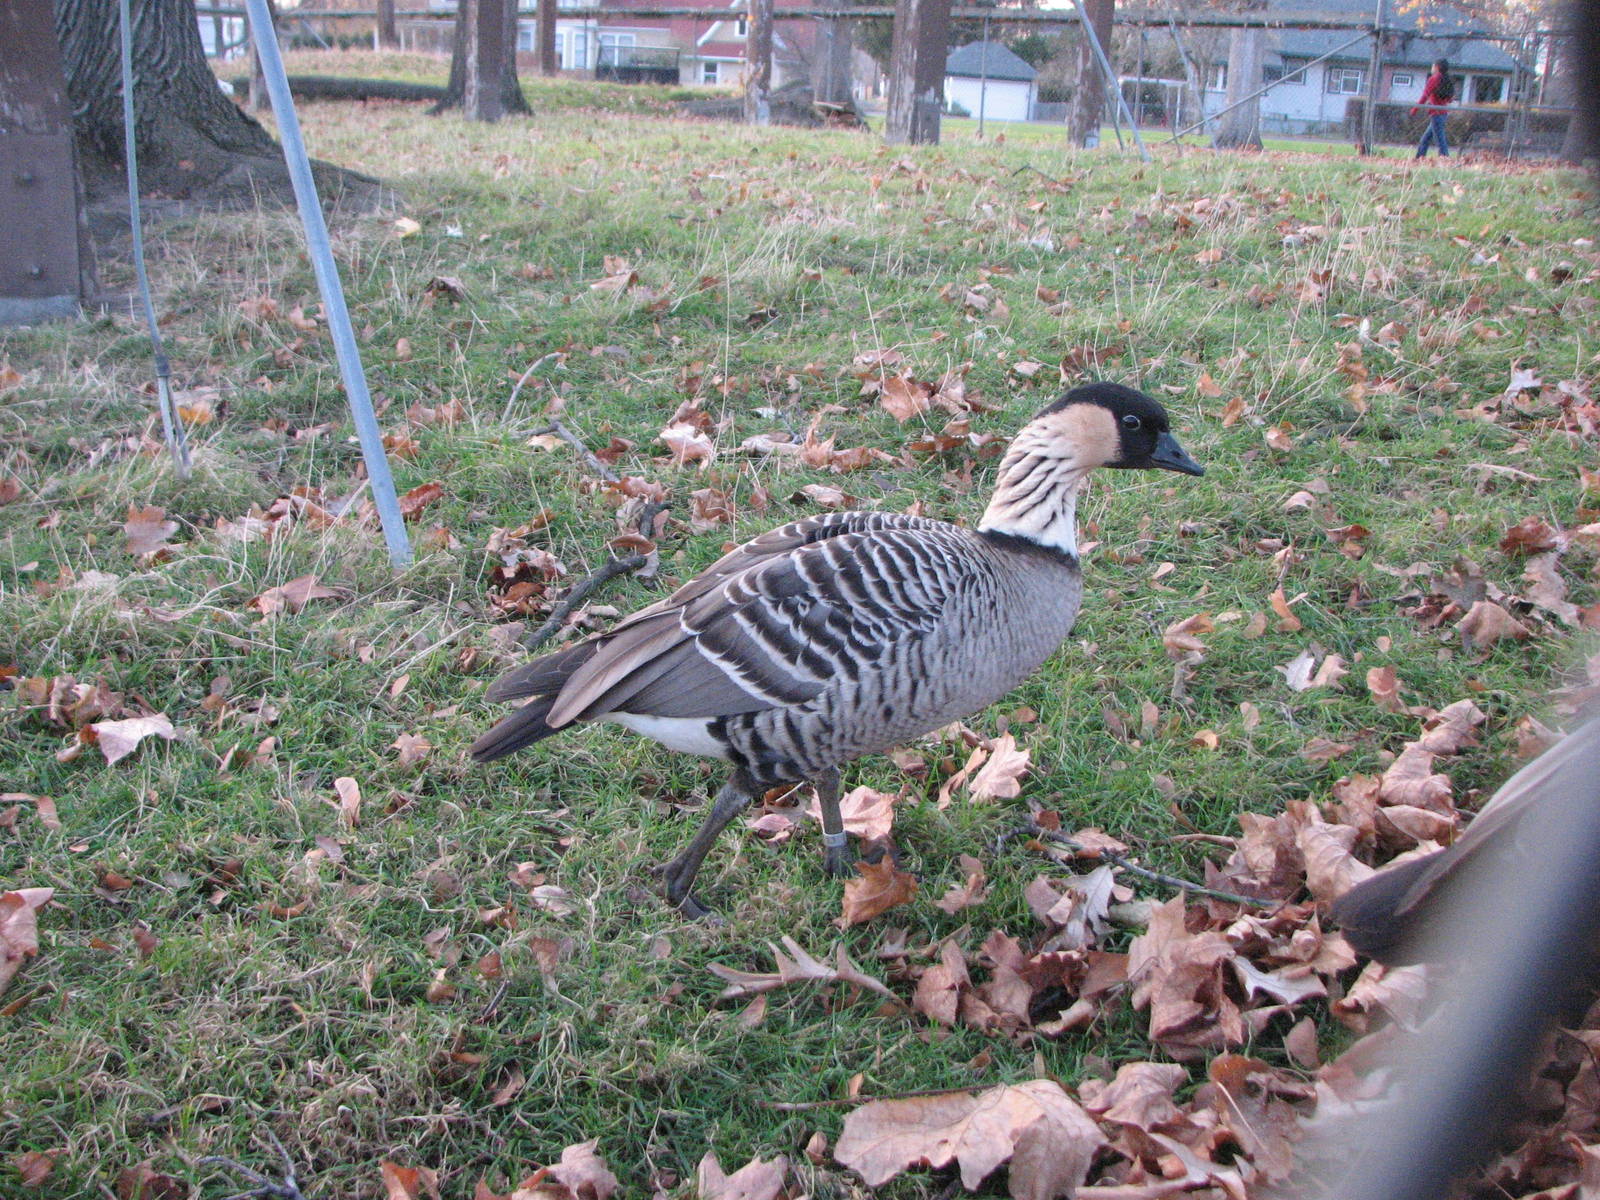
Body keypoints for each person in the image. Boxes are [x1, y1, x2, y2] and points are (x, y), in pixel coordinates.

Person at [1412, 59, 1455, 158]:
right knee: (1425, 139)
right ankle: (1419, 158)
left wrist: (1415, 109)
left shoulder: (1433, 79)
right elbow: (1449, 99)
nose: (1431, 68)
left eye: (1433, 66)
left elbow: (1425, 96)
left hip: (1436, 114)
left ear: (1437, 67)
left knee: (1440, 140)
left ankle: (1445, 158)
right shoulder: (1446, 79)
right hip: (1443, 113)